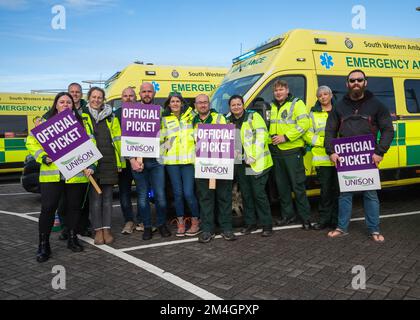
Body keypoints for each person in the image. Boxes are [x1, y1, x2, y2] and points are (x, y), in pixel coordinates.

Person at [324, 69, 394, 242]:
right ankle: (342, 228)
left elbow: (388, 130)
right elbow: (329, 131)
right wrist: (331, 151)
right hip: (347, 158)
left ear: (365, 82)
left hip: (368, 157)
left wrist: (379, 152)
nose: (356, 83)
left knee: (370, 194)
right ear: (347, 84)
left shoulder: (377, 105)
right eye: (352, 80)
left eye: (359, 80)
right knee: (345, 195)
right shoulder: (339, 106)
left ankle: (374, 230)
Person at [26, 92, 93, 262]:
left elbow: (92, 144)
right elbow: (31, 142)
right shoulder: (45, 122)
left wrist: (92, 165)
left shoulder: (83, 122)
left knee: (74, 208)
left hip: (76, 174)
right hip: (52, 174)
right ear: (56, 105)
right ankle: (43, 244)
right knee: (48, 208)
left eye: (68, 102)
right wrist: (42, 157)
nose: (65, 104)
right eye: (61, 102)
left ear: (73, 105)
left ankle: (72, 238)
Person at [227, 95, 274, 237]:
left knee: (258, 193)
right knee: (246, 194)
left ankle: (267, 225)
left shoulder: (253, 117)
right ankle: (250, 223)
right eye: (233, 105)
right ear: (230, 107)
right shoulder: (229, 121)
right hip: (241, 164)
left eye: (238, 104)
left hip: (257, 162)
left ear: (243, 104)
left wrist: (254, 155)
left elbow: (262, 137)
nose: (236, 107)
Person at [269, 80, 313, 230]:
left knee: (298, 186)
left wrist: (285, 137)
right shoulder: (272, 106)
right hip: (277, 153)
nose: (278, 93)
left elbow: (304, 125)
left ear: (287, 90)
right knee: (282, 188)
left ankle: (305, 218)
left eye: (281, 89)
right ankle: (287, 215)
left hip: (292, 152)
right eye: (276, 90)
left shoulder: (296, 103)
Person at [130, 82, 171, 240]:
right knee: (142, 197)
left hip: (156, 161)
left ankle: (161, 224)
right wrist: (132, 159)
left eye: (150, 91)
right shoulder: (132, 111)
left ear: (154, 94)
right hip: (138, 162)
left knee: (160, 196)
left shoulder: (160, 111)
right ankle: (147, 226)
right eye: (144, 91)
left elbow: (167, 135)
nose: (147, 94)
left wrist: (163, 149)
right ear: (139, 94)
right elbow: (126, 138)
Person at [192, 94, 235, 243]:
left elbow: (227, 138)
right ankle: (207, 230)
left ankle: (226, 228)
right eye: (200, 103)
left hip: (221, 164)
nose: (203, 105)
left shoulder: (220, 118)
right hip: (202, 167)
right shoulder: (191, 121)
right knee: (205, 199)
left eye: (205, 102)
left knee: (224, 197)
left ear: (209, 104)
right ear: (195, 105)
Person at [85, 87, 123, 245]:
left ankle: (107, 229)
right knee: (95, 200)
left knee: (107, 199)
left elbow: (118, 141)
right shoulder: (82, 116)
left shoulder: (111, 117)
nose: (96, 100)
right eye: (93, 97)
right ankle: (98, 230)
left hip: (108, 163)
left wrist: (120, 162)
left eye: (99, 97)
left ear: (103, 99)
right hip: (92, 164)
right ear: (89, 98)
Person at [161, 92, 200, 237]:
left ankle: (196, 221)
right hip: (172, 163)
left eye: (178, 101)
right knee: (177, 194)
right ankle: (181, 222)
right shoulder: (164, 120)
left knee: (189, 193)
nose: (175, 103)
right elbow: (160, 141)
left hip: (188, 162)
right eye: (172, 101)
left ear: (182, 103)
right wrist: (166, 145)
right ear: (169, 104)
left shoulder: (191, 117)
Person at [304, 86, 339, 230]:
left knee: (338, 191)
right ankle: (324, 219)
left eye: (325, 94)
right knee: (325, 191)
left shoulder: (339, 111)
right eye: (320, 95)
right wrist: (324, 142)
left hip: (339, 158)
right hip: (322, 159)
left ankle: (337, 220)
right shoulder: (313, 113)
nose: (323, 97)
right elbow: (308, 134)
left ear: (331, 95)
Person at [114, 87, 139, 235]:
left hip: (141, 159)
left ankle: (142, 219)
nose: (128, 98)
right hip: (124, 161)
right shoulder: (115, 115)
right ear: (121, 98)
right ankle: (129, 221)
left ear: (135, 97)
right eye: (125, 96)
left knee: (142, 192)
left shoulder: (144, 113)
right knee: (125, 192)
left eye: (131, 95)